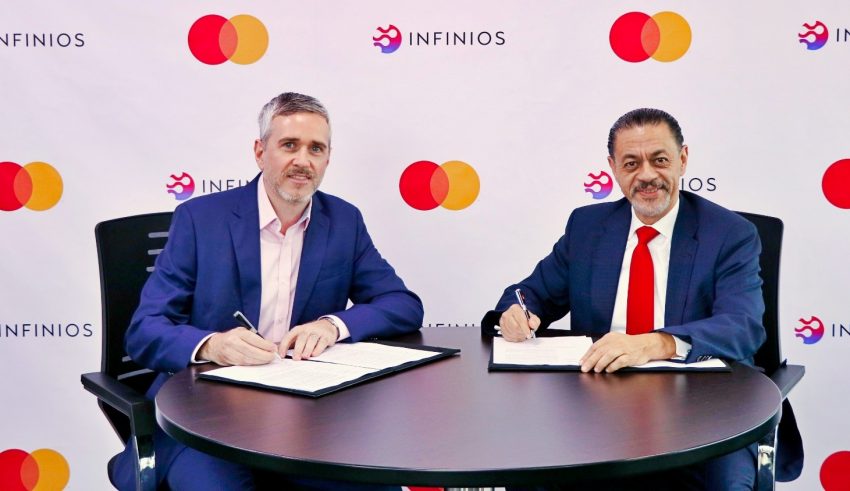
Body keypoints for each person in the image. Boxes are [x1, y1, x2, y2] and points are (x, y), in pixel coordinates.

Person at [110, 92, 424, 490]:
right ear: (260, 152)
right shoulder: (200, 219)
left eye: (316, 149)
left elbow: (402, 304)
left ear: (328, 159)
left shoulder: (344, 221)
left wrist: (332, 325)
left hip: (306, 419)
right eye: (289, 145)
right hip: (204, 419)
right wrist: (212, 345)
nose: (303, 160)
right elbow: (145, 331)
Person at [482, 108, 765, 490]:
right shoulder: (588, 227)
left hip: (703, 410)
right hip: (598, 405)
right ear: (613, 168)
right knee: (525, 468)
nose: (646, 175)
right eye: (631, 163)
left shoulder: (729, 233)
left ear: (683, 159)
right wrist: (517, 312)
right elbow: (532, 293)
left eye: (659, 160)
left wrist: (655, 343)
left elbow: (742, 326)